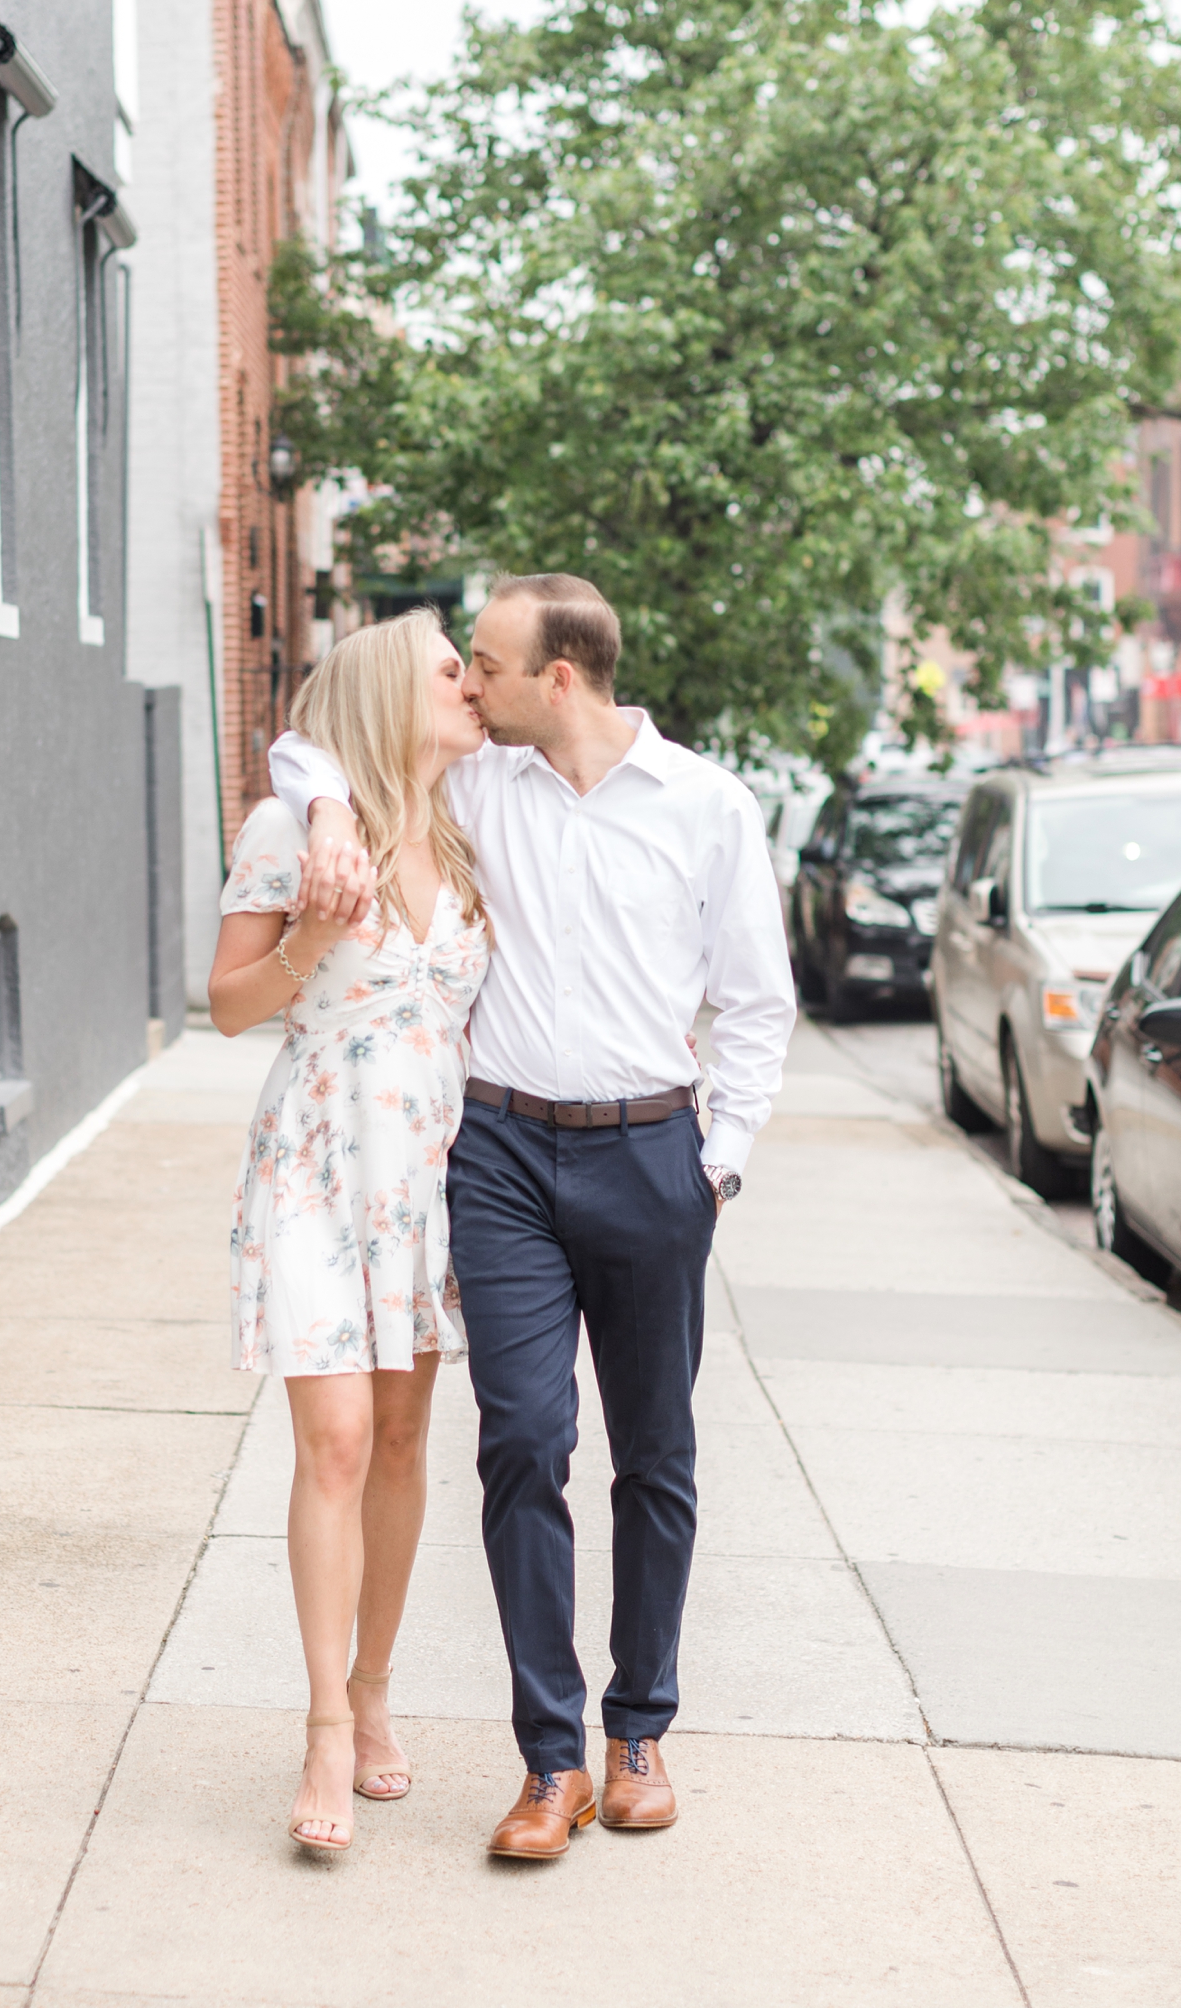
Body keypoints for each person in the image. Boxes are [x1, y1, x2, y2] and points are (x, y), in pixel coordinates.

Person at [270, 573, 796, 1858]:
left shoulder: (707, 808)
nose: (468, 686)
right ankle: (549, 1761)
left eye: (486, 665)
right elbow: (307, 737)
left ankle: (639, 1732)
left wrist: (713, 1164)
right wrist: (331, 804)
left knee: (654, 1457)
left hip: (650, 1155)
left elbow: (758, 1004)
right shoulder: (475, 786)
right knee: (521, 1443)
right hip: (499, 1155)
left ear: (559, 677)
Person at [208, 608, 489, 1852]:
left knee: (400, 1440)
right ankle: (326, 1725)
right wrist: (311, 941)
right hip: (320, 1167)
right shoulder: (293, 829)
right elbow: (224, 1005)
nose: (474, 687)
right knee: (333, 1439)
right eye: (451, 673)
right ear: (390, 692)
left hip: (429, 1182)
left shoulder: (472, 833)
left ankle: (376, 1691)